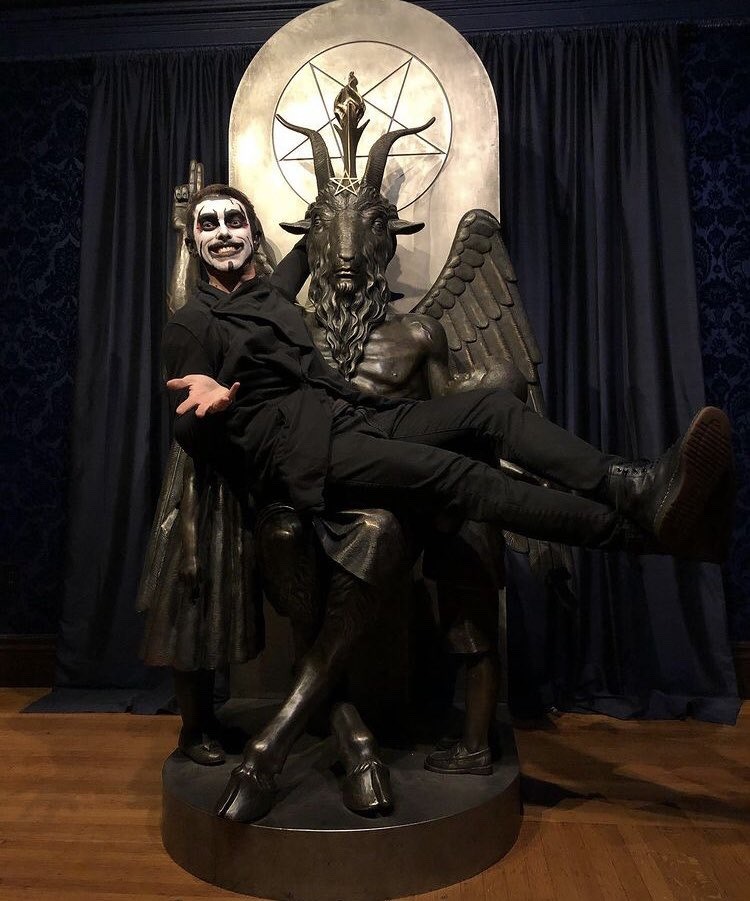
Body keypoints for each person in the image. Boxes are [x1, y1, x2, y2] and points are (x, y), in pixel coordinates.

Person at [164, 182, 734, 821]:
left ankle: (633, 485)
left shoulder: (271, 292)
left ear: (252, 232)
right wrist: (220, 401)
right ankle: (645, 534)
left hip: (353, 416)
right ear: (194, 241)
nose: (223, 232)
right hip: (301, 454)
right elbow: (188, 431)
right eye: (208, 224)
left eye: (235, 220)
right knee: (459, 477)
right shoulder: (193, 324)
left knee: (491, 411)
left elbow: (323, 235)